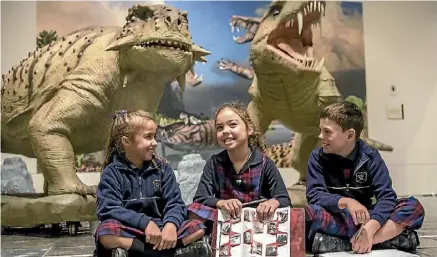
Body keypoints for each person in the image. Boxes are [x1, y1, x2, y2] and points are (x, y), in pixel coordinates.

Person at [305, 101, 425, 254]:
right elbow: (314, 195)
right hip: (340, 218)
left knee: (413, 207)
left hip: (368, 219)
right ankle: (388, 239)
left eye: (327, 132)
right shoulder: (317, 157)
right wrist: (346, 202)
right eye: (321, 130)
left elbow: (386, 197)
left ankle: (360, 242)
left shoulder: (370, 156)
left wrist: (370, 229)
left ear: (349, 135)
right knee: (309, 213)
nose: (321, 136)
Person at [94, 109, 210, 257]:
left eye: (154, 136)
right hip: (131, 229)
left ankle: (137, 252)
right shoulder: (112, 172)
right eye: (148, 137)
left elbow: (174, 203)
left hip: (161, 229)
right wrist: (145, 223)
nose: (154, 143)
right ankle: (172, 253)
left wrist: (171, 225)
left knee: (198, 227)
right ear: (126, 141)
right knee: (105, 232)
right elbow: (108, 208)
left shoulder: (162, 169)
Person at [187, 101, 292, 237]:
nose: (225, 131)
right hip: (226, 222)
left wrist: (273, 202)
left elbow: (284, 199)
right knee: (192, 209)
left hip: (257, 224)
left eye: (232, 125)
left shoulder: (265, 163)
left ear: (249, 129)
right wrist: (222, 203)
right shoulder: (214, 163)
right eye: (219, 127)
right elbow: (200, 199)